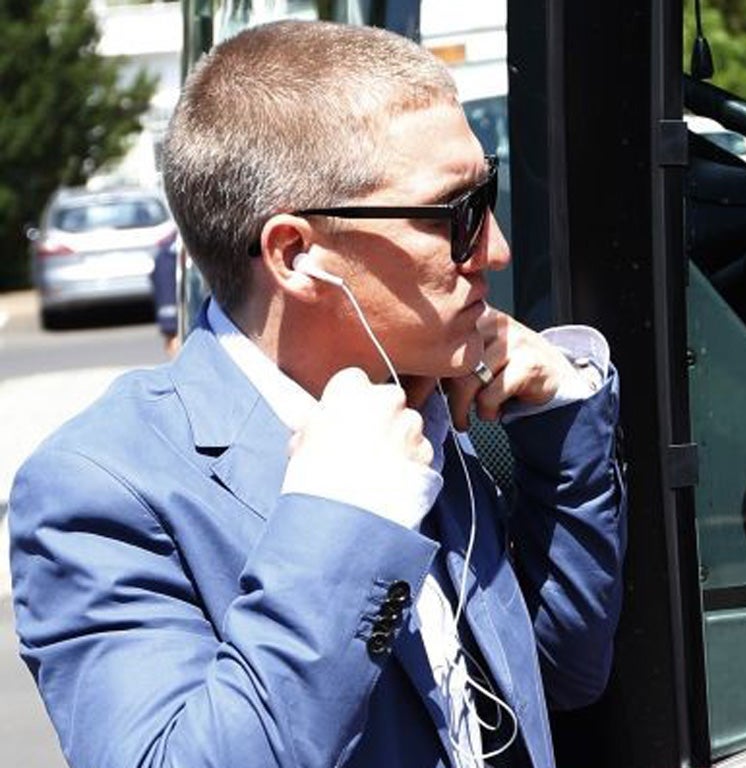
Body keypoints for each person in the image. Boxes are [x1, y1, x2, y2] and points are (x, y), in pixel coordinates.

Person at [9, 20, 626, 768]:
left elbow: (562, 672)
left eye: (488, 196)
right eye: (456, 215)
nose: (494, 248)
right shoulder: (104, 487)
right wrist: (343, 522)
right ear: (297, 256)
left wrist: (556, 421)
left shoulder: (428, 393)